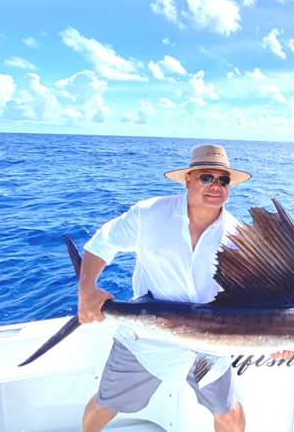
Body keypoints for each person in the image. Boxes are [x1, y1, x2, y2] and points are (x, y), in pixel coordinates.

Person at [78, 144, 251, 432]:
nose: (216, 186)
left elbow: (250, 298)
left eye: (223, 180)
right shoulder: (149, 213)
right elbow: (101, 243)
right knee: (106, 403)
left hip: (210, 345)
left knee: (228, 414)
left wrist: (282, 341)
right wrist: (86, 290)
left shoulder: (237, 237)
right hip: (146, 337)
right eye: (207, 177)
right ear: (188, 180)